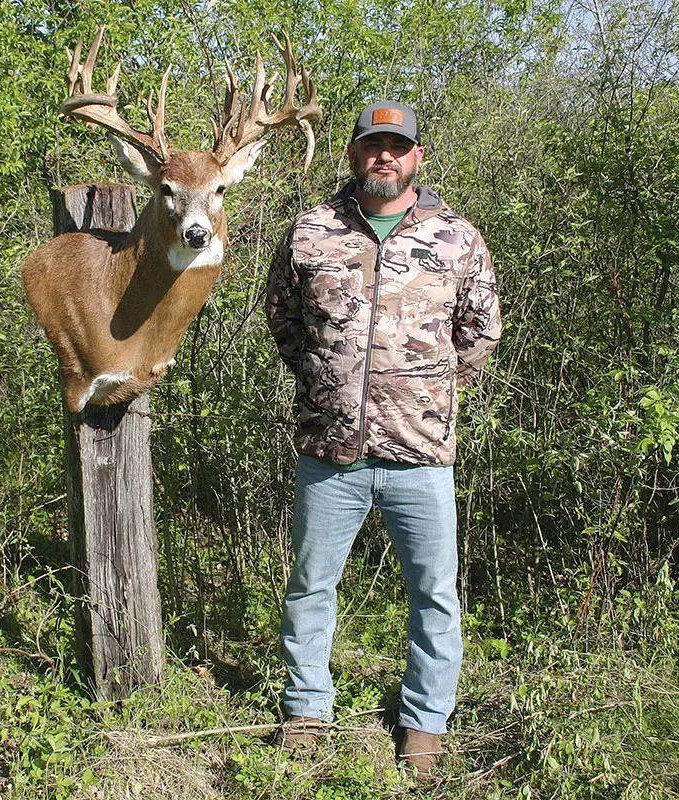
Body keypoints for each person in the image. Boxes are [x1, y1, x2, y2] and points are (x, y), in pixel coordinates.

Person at [264, 100, 502, 778]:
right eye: (373, 145)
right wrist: (324, 381)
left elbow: (479, 331)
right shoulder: (311, 231)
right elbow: (282, 316)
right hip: (329, 453)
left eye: (398, 146)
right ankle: (308, 708)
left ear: (417, 157)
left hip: (420, 453)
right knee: (312, 584)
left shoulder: (457, 237)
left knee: (434, 592)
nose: (384, 157)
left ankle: (424, 722)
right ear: (354, 153)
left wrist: (427, 393)